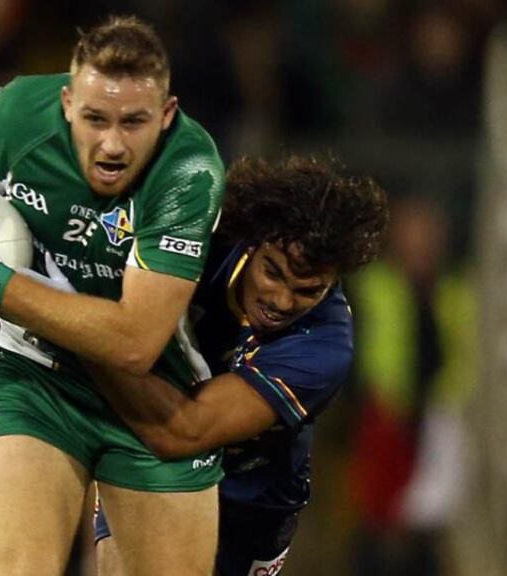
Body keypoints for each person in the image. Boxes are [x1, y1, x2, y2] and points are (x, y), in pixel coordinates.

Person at [0, 15, 226, 576]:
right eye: (95, 119)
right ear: (68, 102)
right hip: (31, 375)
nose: (112, 144)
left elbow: (135, 343)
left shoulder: (189, 171)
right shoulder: (18, 114)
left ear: (167, 115)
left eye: (134, 122)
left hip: (151, 399)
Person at [86, 155, 389, 575]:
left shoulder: (325, 347)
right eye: (273, 272)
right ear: (253, 241)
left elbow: (186, 429)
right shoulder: (204, 240)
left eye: (308, 290)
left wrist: (86, 339)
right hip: (146, 450)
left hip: (246, 504)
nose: (282, 301)